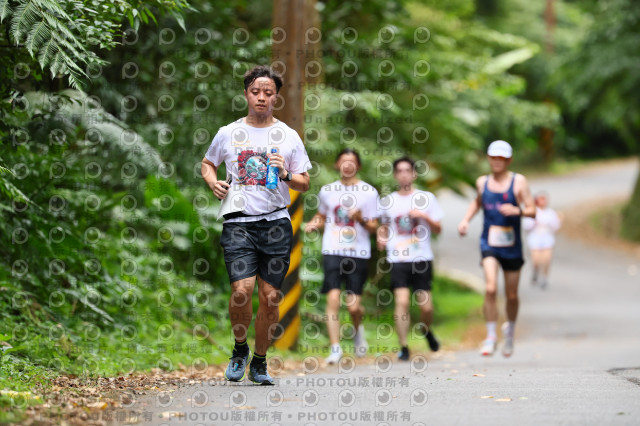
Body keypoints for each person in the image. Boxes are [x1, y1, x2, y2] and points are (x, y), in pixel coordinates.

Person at [201, 65, 311, 385]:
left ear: (276, 98)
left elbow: (305, 182)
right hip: (238, 223)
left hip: (276, 222)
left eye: (268, 93)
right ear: (246, 94)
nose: (261, 97)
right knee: (241, 291)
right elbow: (207, 163)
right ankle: (240, 349)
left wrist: (286, 174)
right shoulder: (228, 132)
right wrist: (212, 182)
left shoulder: (288, 136)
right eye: (255, 91)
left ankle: (260, 361)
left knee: (270, 297)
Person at [457, 140, 535, 357]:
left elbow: (532, 210)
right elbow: (477, 202)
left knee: (512, 295)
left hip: (512, 246)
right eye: (494, 157)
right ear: (488, 159)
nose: (497, 161)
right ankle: (491, 336)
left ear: (509, 160)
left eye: (501, 158)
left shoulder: (519, 182)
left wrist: (518, 211)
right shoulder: (482, 182)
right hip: (489, 243)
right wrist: (465, 220)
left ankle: (509, 332)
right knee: (490, 288)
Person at [304, 148, 379, 364]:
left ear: (358, 166)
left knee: (353, 306)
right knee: (333, 299)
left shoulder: (369, 192)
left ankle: (357, 330)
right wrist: (313, 224)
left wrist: (361, 218)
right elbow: (321, 215)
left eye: (352, 161)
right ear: (337, 164)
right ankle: (335, 348)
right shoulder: (327, 191)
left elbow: (374, 227)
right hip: (332, 250)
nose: (347, 165)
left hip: (358, 252)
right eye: (344, 161)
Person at [377, 156, 443, 361]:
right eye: (400, 171)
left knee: (426, 307)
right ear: (395, 175)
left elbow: (438, 229)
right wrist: (381, 237)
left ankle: (425, 329)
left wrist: (424, 216)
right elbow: (383, 226)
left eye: (407, 170)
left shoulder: (427, 198)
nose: (404, 174)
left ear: (414, 174)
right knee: (402, 301)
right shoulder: (388, 201)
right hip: (398, 258)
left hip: (421, 258)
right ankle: (404, 346)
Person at [523, 192, 562, 289]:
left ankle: (544, 277)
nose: (543, 201)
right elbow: (526, 226)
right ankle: (535, 271)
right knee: (536, 260)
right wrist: (534, 222)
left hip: (547, 239)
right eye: (541, 199)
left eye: (544, 199)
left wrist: (559, 220)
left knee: (546, 260)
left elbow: (555, 227)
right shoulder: (532, 211)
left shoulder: (551, 213)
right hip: (535, 238)